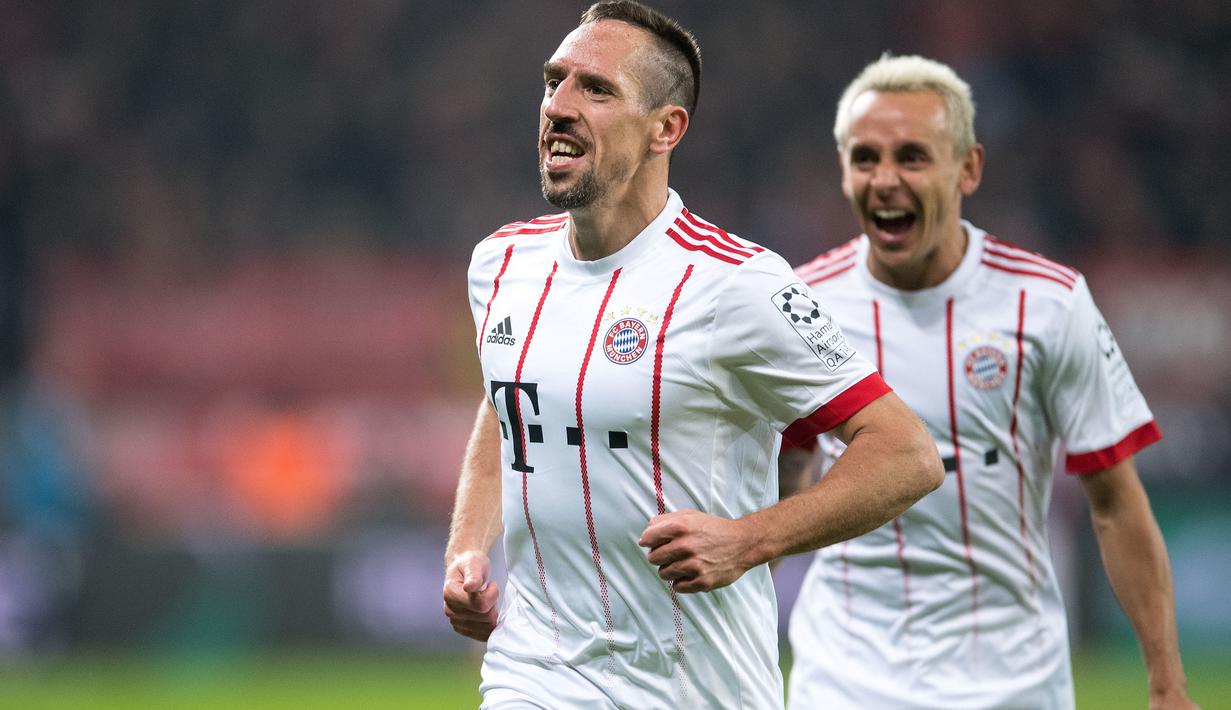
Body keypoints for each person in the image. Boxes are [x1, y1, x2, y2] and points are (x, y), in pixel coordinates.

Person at [441, 3, 943, 708]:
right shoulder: (499, 263)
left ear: (665, 129)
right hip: (534, 674)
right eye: (553, 82)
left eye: (595, 88)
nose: (557, 105)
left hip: (694, 687)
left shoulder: (734, 284)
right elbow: (507, 408)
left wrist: (747, 540)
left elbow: (905, 453)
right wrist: (466, 547)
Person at [782, 54, 1197, 709]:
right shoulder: (798, 307)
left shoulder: (1047, 304)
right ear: (842, 170)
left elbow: (1115, 503)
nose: (884, 179)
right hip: (843, 683)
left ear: (967, 168)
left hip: (1011, 686)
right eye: (864, 158)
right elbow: (780, 480)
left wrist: (1167, 685)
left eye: (912, 157)